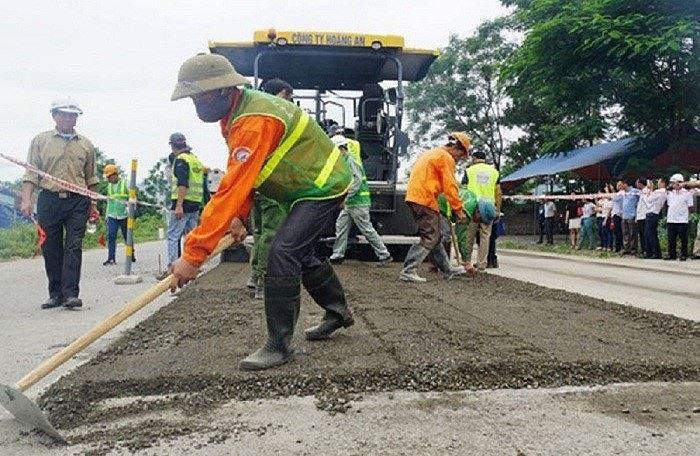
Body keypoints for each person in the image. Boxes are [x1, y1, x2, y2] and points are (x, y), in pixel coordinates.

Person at [169, 53, 354, 370]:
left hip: (321, 186)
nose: (199, 103)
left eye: (204, 95)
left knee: (282, 253)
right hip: (299, 188)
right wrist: (239, 218)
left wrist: (193, 254)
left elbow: (232, 187)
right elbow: (243, 175)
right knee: (300, 252)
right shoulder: (236, 114)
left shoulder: (253, 120)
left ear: (227, 89)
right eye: (194, 97)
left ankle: (278, 346)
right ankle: (338, 312)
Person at [20, 99, 98, 309]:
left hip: (77, 202)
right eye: (63, 114)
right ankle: (55, 294)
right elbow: (30, 173)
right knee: (51, 247)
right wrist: (26, 200)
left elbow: (91, 179)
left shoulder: (86, 145)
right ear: (54, 116)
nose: (68, 119)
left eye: (72, 115)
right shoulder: (40, 141)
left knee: (73, 247)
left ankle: (71, 294)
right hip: (49, 200)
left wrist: (93, 204)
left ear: (77, 118)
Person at [247, 79, 294, 299]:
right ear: (278, 95)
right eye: (287, 97)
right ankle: (263, 282)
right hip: (270, 185)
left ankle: (254, 275)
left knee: (259, 232)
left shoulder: (254, 117)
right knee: (270, 234)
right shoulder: (276, 121)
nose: (290, 102)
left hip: (255, 184)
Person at [401, 132, 470, 282]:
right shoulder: (445, 158)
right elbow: (450, 186)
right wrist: (458, 210)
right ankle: (409, 270)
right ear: (457, 149)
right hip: (424, 199)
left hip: (418, 197)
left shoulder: (432, 153)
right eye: (460, 156)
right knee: (430, 236)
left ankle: (448, 269)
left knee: (435, 236)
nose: (458, 160)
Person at [328, 134, 392, 265]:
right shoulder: (345, 161)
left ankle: (384, 255)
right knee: (341, 227)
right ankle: (337, 255)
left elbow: (356, 181)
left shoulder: (350, 161)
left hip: (357, 203)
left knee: (367, 230)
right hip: (352, 203)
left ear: (341, 148)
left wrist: (345, 198)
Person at [165, 132, 204, 271]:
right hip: (195, 204)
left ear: (173, 146)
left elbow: (183, 184)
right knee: (191, 237)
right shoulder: (195, 160)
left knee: (173, 237)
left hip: (182, 203)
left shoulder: (181, 160)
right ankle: (191, 265)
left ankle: (174, 268)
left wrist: (179, 205)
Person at [462, 150, 500, 270]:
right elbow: (498, 192)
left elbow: (463, 190)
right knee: (485, 237)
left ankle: (466, 263)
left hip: (472, 206)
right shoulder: (494, 172)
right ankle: (482, 264)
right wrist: (497, 210)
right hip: (488, 207)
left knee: (469, 236)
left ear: (474, 158)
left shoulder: (469, 170)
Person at [102, 164, 135, 265]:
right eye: (107, 177)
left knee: (127, 236)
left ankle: (131, 255)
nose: (108, 179)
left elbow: (133, 198)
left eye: (109, 176)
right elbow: (109, 201)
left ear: (115, 175)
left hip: (124, 214)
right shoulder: (109, 186)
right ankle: (111, 258)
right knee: (111, 235)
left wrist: (131, 212)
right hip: (112, 215)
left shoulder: (125, 183)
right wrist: (106, 216)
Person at [664, 174, 694, 261]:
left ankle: (684, 254)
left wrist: (685, 214)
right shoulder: (670, 193)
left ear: (680, 183)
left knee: (683, 239)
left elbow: (690, 206)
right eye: (672, 183)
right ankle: (671, 254)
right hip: (671, 218)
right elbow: (669, 204)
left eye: (675, 183)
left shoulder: (687, 193)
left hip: (682, 220)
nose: (673, 185)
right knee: (671, 238)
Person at [643, 178, 666, 259]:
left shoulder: (661, 191)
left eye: (659, 182)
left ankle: (656, 253)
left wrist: (651, 189)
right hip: (650, 214)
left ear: (663, 183)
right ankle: (649, 252)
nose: (657, 184)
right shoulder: (657, 192)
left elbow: (648, 199)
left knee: (652, 234)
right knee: (647, 234)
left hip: (653, 214)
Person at [620, 180, 641, 255]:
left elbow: (641, 200)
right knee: (625, 233)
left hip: (632, 215)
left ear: (625, 184)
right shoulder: (623, 193)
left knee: (632, 233)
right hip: (624, 215)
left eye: (621, 185)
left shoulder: (635, 191)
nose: (620, 187)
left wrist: (637, 213)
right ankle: (626, 248)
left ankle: (633, 249)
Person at [634, 178, 648, 258]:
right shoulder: (640, 192)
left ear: (640, 183)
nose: (636, 184)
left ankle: (646, 250)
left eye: (637, 183)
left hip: (644, 216)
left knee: (644, 234)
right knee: (641, 234)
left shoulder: (646, 191)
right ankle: (643, 250)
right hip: (640, 216)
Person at [611, 182, 624, 252]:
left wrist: (612, 190)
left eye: (619, 185)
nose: (618, 186)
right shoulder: (618, 193)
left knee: (619, 232)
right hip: (615, 214)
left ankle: (619, 247)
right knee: (616, 232)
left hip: (618, 214)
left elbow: (615, 198)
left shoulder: (622, 193)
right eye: (617, 185)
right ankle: (617, 247)